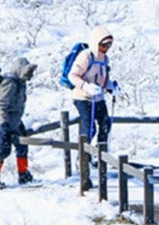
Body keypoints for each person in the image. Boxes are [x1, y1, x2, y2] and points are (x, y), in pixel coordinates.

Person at [68, 25, 121, 189]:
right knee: (89, 128)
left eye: (109, 45)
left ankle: (100, 154)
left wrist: (111, 86)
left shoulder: (104, 59)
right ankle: (83, 159)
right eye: (103, 44)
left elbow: (103, 79)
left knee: (105, 124)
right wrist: (85, 86)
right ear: (96, 42)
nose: (106, 48)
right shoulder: (86, 56)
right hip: (83, 98)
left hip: (98, 98)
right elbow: (72, 75)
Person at [0, 57, 38, 189]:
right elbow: (1, 105)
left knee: (22, 146)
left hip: (14, 121)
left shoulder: (20, 83)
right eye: (27, 72)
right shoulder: (10, 83)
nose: (29, 75)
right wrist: (4, 125)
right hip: (4, 121)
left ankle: (23, 173)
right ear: (20, 70)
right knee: (4, 148)